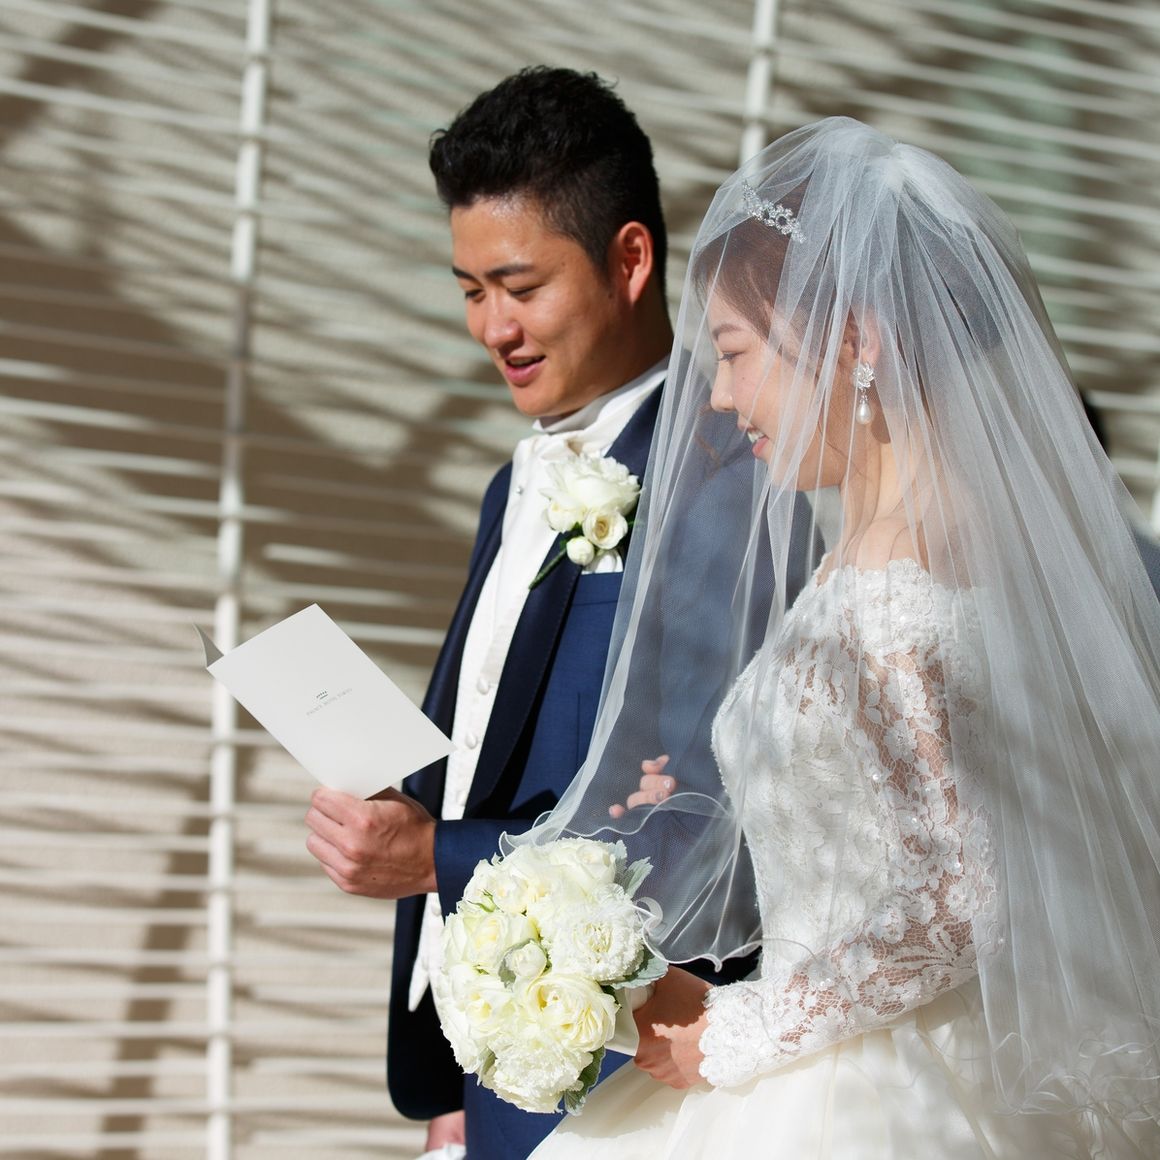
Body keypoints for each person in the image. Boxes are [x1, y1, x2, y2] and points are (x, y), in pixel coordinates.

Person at [515, 117, 1160, 1158]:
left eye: (734, 353)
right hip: (836, 1038)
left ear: (855, 342)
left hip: (878, 1092)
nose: (719, 395)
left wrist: (744, 1028)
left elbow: (962, 895)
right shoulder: (874, 556)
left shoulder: (903, 577)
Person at [303, 67, 771, 1160]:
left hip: (626, 1073)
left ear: (629, 259)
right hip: (493, 1063)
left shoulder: (724, 481)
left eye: (519, 285)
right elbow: (491, 742)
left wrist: (438, 855)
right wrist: (455, 1077)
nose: (492, 327)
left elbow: (705, 816)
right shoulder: (512, 485)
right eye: (470, 289)